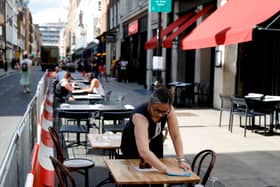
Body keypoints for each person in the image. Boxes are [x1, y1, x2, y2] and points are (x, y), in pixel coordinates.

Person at [120, 87, 191, 175]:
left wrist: (181, 160)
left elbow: (175, 136)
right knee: (138, 178)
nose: (160, 115)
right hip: (133, 148)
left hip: (155, 144)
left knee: (159, 176)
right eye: (157, 111)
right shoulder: (140, 116)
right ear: (150, 104)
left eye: (164, 112)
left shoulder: (169, 110)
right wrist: (167, 169)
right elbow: (144, 151)